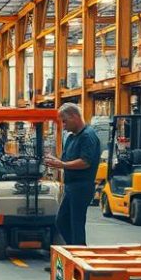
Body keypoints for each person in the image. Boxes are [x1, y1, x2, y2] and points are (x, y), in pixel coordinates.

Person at [44, 102, 101, 247]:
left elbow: (85, 162)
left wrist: (62, 165)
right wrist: (55, 161)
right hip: (70, 186)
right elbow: (66, 160)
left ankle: (79, 253)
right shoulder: (71, 137)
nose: (63, 125)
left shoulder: (88, 136)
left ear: (74, 116)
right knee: (62, 221)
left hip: (82, 187)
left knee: (76, 225)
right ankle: (74, 251)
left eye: (64, 121)